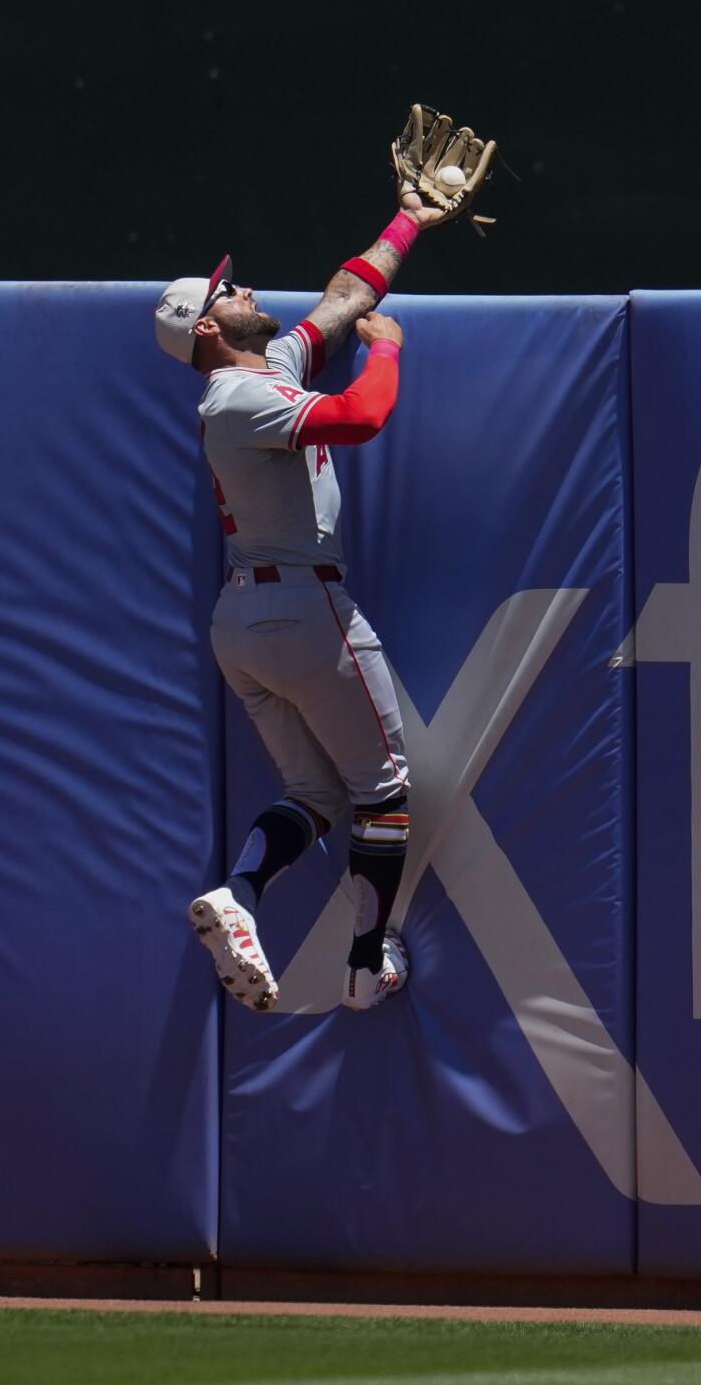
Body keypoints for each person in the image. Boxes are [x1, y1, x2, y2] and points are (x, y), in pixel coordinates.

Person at [154, 190, 441, 1011]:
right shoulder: (236, 399)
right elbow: (360, 416)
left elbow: (346, 296)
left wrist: (410, 220)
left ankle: (239, 895)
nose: (244, 292)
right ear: (208, 329)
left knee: (315, 798)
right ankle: (363, 965)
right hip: (302, 613)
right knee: (382, 792)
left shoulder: (268, 368)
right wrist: (387, 351)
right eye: (227, 294)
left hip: (246, 621)